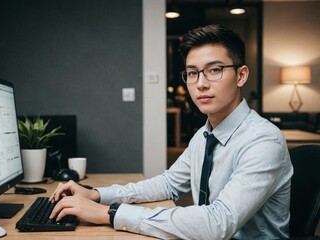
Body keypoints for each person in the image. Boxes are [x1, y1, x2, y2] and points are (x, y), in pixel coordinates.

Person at [49, 24, 293, 239]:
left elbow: (218, 224)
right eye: (192, 73)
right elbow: (168, 184)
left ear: (241, 75)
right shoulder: (204, 135)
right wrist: (97, 195)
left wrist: (110, 214)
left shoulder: (263, 140)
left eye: (215, 69)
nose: (201, 83)